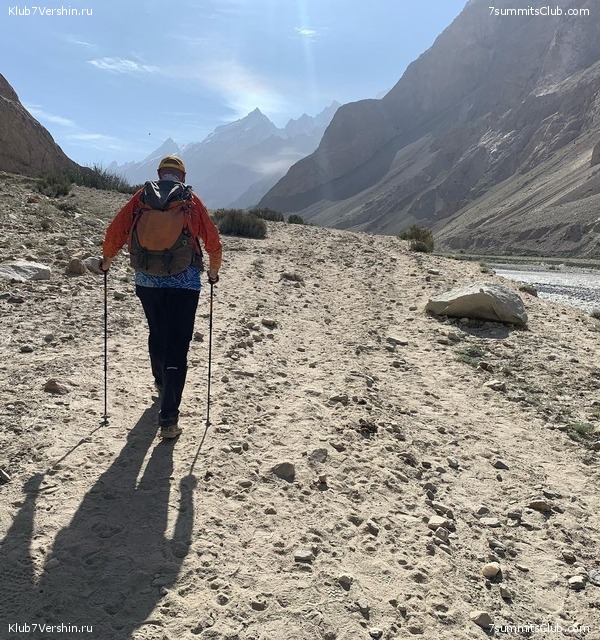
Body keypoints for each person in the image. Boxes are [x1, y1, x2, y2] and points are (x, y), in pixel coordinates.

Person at [100, 155, 222, 439]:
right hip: (185, 283)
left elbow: (116, 230)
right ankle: (168, 419)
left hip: (147, 280)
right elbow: (212, 239)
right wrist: (214, 271)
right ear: (182, 176)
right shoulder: (190, 200)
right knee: (178, 344)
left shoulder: (141, 198)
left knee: (157, 332)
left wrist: (106, 260)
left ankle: (160, 382)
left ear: (159, 174)